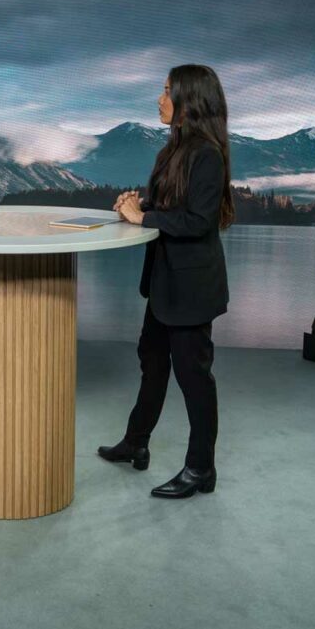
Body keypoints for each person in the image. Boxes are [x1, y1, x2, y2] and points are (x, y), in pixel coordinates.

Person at [98, 64, 234, 499]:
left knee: (194, 379)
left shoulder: (207, 154)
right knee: (152, 364)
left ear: (188, 100)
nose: (159, 99)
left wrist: (146, 216)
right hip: (164, 285)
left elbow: (197, 220)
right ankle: (136, 442)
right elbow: (170, 206)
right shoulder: (173, 150)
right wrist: (137, 205)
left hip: (191, 290)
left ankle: (201, 470)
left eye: (165, 91)